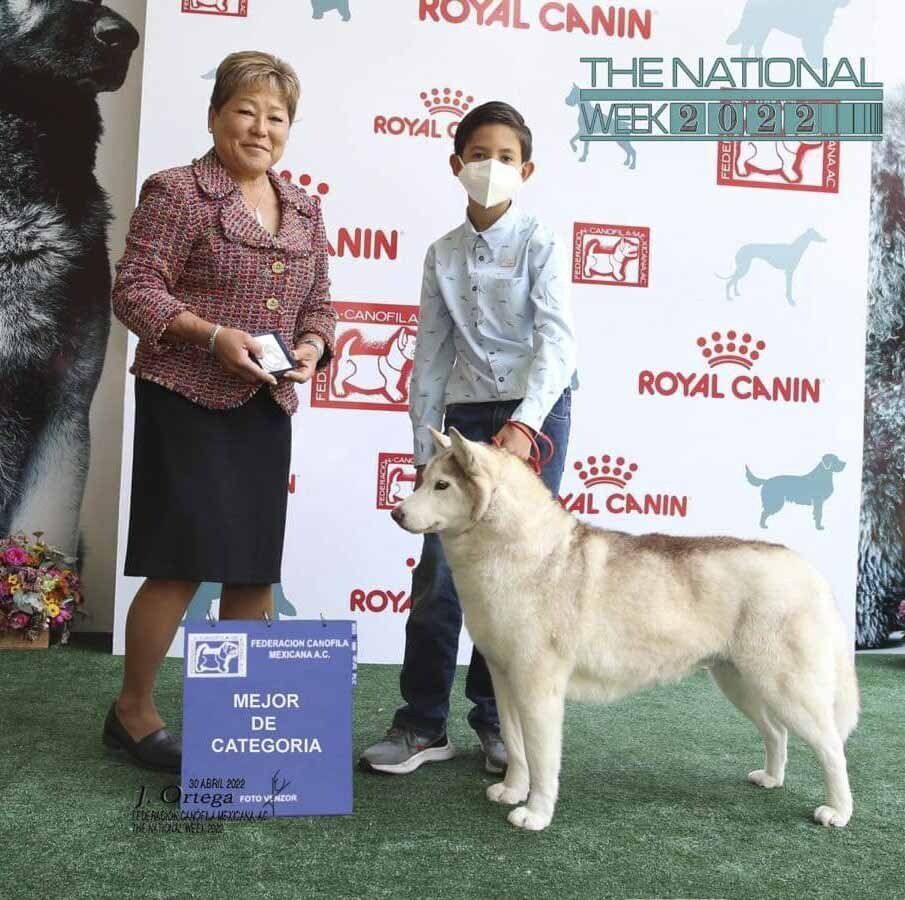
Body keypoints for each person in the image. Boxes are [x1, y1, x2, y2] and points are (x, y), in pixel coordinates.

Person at [103, 51, 336, 773]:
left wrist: (311, 345)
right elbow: (134, 289)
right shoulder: (177, 191)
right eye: (246, 110)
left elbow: (320, 304)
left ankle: (230, 721)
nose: (260, 127)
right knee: (178, 566)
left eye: (276, 116)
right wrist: (211, 334)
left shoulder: (304, 207)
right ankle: (131, 711)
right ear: (214, 116)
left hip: (264, 406)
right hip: (186, 397)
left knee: (250, 573)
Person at [360, 101, 577, 776]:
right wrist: (427, 451)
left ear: (527, 169)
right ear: (456, 166)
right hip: (461, 419)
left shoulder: (540, 240)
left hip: (533, 413)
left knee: (516, 572)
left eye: (505, 158)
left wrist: (524, 423)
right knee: (438, 574)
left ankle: (497, 720)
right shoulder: (441, 255)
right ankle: (422, 723)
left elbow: (557, 344)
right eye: (479, 155)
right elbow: (429, 354)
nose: (491, 168)